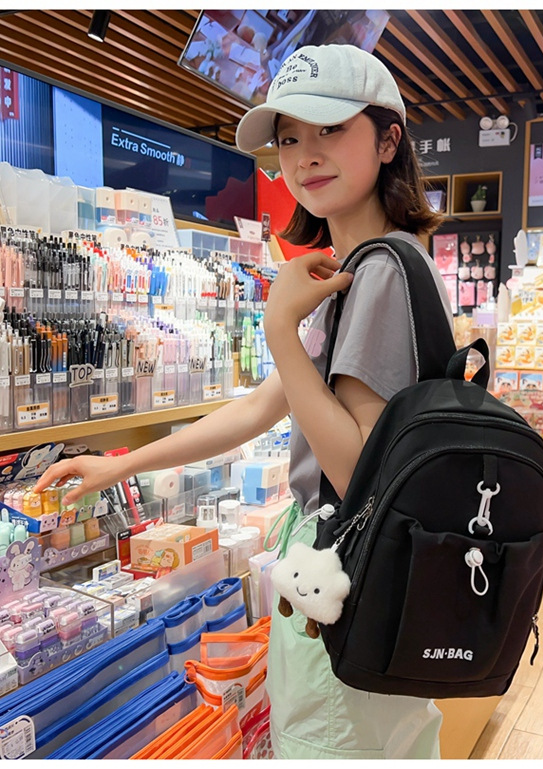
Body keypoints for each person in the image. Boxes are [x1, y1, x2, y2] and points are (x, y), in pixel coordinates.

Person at [34, 43, 454, 759]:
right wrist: (119, 466)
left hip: (339, 581)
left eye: (330, 130)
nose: (305, 155)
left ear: (389, 141)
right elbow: (259, 410)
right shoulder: (362, 271)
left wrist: (279, 329)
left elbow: (355, 471)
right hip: (361, 582)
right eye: (288, 138)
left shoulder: (379, 275)